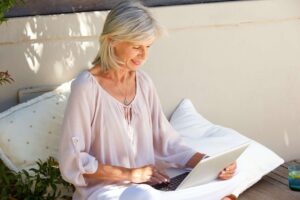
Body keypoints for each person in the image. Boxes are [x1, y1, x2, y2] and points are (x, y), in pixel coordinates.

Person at [59, 1, 237, 200]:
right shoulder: (86, 87)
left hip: (151, 186)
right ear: (112, 40)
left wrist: (209, 163)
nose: (143, 55)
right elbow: (73, 160)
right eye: (137, 47)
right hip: (106, 191)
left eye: (148, 46)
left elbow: (167, 142)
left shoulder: (143, 83)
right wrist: (131, 174)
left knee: (223, 183)